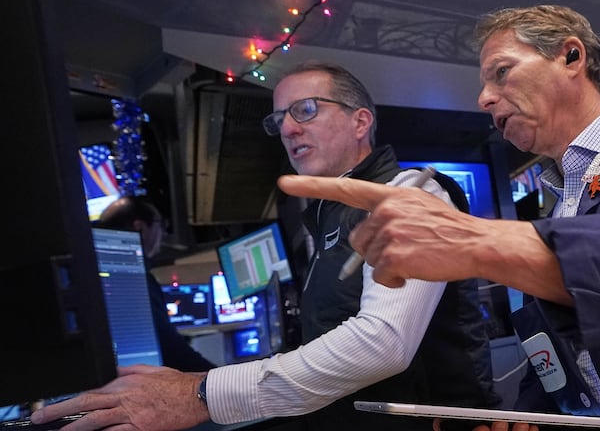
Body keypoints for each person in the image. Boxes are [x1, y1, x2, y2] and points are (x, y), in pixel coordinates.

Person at [274, 5, 600, 431]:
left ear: (571, 55)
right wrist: (527, 419)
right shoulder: (554, 208)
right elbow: (569, 371)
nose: (483, 98)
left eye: (501, 72)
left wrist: (477, 242)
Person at [31, 62, 500, 431]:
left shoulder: (411, 194)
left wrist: (202, 392)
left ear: (361, 122)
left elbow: (384, 344)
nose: (289, 129)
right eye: (280, 119)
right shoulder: (322, 219)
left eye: (307, 110)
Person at [97, 196, 217, 372]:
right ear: (140, 228)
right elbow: (172, 350)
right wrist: (223, 381)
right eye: (161, 225)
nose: (164, 233)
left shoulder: (99, 270)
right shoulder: (131, 278)